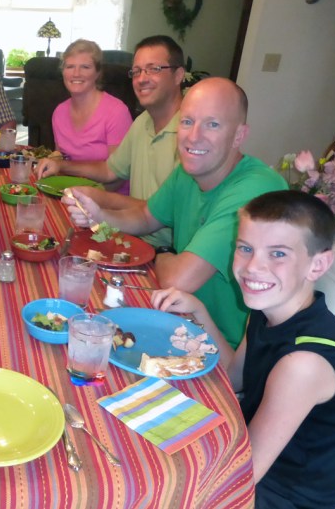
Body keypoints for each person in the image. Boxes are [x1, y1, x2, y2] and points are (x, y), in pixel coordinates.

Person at [152, 190, 335, 509]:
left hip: (278, 494)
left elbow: (242, 476)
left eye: (278, 254)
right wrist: (200, 311)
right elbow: (234, 379)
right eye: (245, 248)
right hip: (250, 454)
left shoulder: (304, 364)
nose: (252, 267)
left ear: (318, 265)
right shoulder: (265, 310)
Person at [65, 78, 287, 347]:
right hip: (181, 318)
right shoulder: (188, 171)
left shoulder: (255, 189)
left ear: (239, 136)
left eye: (212, 124)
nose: (194, 136)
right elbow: (146, 216)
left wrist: (163, 255)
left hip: (227, 349)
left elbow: (178, 279)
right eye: (187, 121)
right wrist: (99, 217)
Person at [37, 35, 186, 247]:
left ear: (178, 74)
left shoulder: (193, 133)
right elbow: (110, 171)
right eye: (137, 71)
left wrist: (97, 200)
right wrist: (65, 171)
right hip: (130, 235)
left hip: (168, 249)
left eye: (154, 69)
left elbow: (161, 214)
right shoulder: (143, 122)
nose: (142, 78)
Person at [50, 39, 132, 192]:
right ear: (63, 72)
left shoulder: (117, 112)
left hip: (109, 203)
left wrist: (84, 198)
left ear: (97, 73)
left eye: (85, 67)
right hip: (68, 194)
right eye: (70, 66)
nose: (76, 73)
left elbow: (119, 177)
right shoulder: (59, 112)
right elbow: (60, 159)